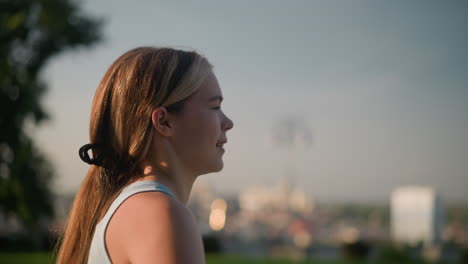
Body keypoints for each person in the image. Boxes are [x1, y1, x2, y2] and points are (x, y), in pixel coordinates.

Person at [56, 47, 234, 264]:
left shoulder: (136, 207)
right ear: (164, 122)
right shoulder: (160, 213)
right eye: (215, 107)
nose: (228, 123)